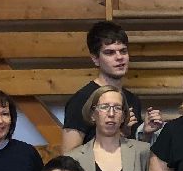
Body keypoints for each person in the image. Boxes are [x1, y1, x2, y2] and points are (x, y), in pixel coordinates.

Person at [61, 21, 149, 151]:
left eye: (123, 51)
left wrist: (146, 134)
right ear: (95, 59)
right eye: (110, 52)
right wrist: (118, 135)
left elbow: (134, 150)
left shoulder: (132, 99)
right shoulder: (82, 99)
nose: (119, 57)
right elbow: (68, 155)